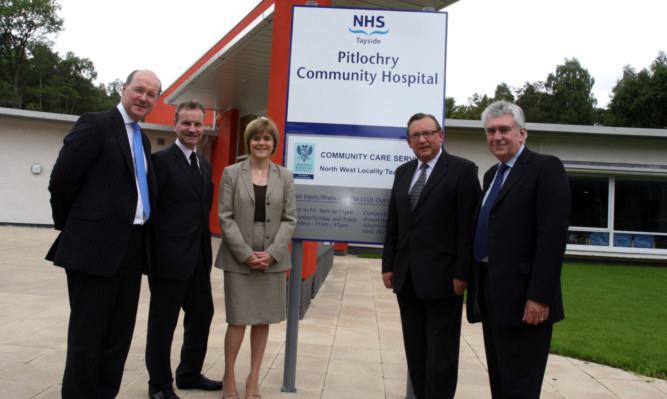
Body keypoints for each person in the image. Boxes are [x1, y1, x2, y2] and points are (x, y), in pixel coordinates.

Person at [46, 69, 161, 398]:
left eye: (151, 94)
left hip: (132, 248)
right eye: (139, 89)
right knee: (87, 340)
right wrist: (77, 228)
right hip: (92, 249)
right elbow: (62, 181)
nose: (144, 97)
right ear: (124, 88)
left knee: (117, 340)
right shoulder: (96, 124)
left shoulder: (143, 138)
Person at [467, 101, 571, 399]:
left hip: (527, 299)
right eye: (490, 131)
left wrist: (539, 296)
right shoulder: (491, 176)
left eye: (504, 129)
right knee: (501, 376)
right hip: (491, 293)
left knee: (521, 382)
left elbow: (552, 239)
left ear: (522, 133)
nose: (496, 136)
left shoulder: (545, 168)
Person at [382, 113, 481, 399]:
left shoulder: (462, 171)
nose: (422, 140)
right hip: (407, 279)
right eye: (416, 135)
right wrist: (389, 266)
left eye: (428, 133)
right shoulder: (403, 172)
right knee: (416, 353)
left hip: (444, 280)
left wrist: (463, 273)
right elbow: (394, 223)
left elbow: (467, 227)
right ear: (408, 142)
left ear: (440, 135)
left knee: (442, 355)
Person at [214, 117, 297, 399]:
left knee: (262, 319)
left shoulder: (284, 176)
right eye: (256, 138)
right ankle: (229, 376)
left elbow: (289, 219)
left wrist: (272, 254)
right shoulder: (231, 173)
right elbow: (224, 216)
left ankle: (253, 379)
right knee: (238, 319)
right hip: (239, 256)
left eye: (267, 138)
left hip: (272, 257)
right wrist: (245, 254)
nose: (261, 143)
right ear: (248, 142)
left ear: (274, 143)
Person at [145, 101, 222, 399]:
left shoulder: (205, 165)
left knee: (202, 316)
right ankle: (160, 385)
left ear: (204, 128)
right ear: (175, 125)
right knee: (163, 325)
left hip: (199, 260)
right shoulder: (160, 162)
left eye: (198, 124)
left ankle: (189, 374)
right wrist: (154, 256)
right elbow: (151, 213)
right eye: (186, 123)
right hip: (168, 261)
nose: (192, 129)